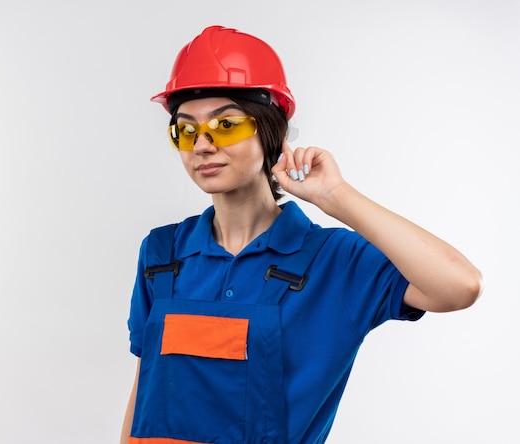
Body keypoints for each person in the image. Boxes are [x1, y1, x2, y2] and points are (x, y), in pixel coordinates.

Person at [121, 25, 483, 444]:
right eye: (185, 130)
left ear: (269, 132)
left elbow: (460, 286)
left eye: (225, 125)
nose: (201, 145)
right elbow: (144, 390)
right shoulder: (162, 253)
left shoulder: (335, 262)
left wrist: (337, 196)